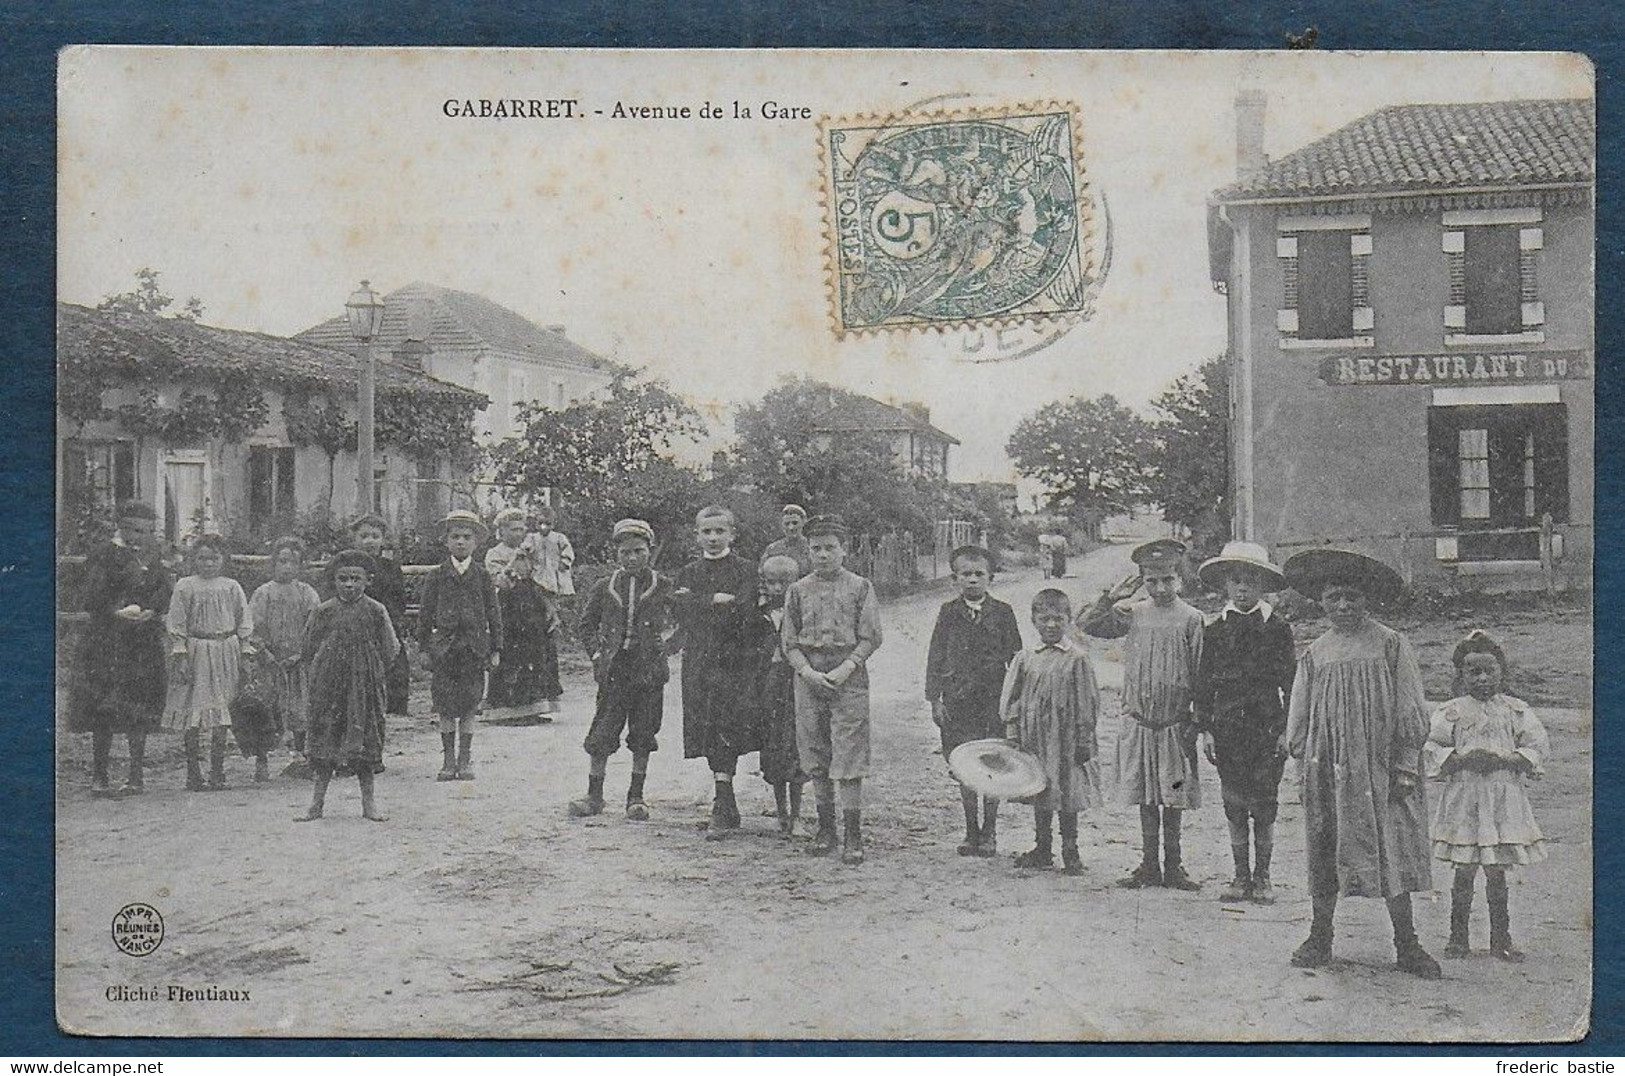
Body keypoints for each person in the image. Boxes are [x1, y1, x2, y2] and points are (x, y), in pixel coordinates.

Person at [1282, 548, 1440, 979]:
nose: (1344, 606)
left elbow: (1410, 708)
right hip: (1329, 768)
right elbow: (1300, 715)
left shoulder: (1390, 644)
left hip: (1380, 768)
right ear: (1321, 601)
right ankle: (1320, 935)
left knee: (1390, 847)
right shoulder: (1315, 652)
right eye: (1334, 597)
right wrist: (1303, 763)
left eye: (1352, 596)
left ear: (1367, 597)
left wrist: (1406, 764)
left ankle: (1407, 943)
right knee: (1326, 846)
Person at [1078, 538, 1205, 891]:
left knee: (1172, 793)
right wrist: (1111, 596)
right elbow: (1087, 624)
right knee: (1147, 793)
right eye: (1152, 580)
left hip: (1174, 725)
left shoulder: (1192, 619)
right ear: (1142, 581)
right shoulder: (1132, 614)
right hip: (1141, 722)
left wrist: (1196, 720)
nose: (1161, 588)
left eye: (1168, 579)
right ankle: (1149, 864)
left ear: (1180, 579)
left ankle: (1174, 865)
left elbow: (1200, 672)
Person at [1425, 630, 1549, 963]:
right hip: (1465, 797)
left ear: (1501, 673)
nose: (1482, 678)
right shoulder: (1451, 711)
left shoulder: (1515, 710)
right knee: (1463, 870)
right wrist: (1459, 759)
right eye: (1473, 672)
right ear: (1461, 675)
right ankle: (1458, 938)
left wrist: (1509, 759)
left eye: (1489, 671)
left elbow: (1537, 746)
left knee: (1497, 872)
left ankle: (1501, 939)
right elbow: (1432, 746)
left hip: (1501, 797)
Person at [1192, 541, 1297, 904]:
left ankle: (1263, 876)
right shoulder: (1215, 630)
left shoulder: (1278, 630)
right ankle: (1239, 876)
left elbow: (1291, 683)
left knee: (1264, 804)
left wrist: (1286, 729)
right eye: (1236, 581)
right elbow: (1203, 683)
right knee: (1234, 802)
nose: (1242, 588)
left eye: (1251, 581)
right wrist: (1205, 728)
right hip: (1228, 731)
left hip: (1266, 729)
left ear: (1263, 586)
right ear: (1225, 585)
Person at [782, 514, 883, 864]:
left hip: (848, 676)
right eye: (816, 549)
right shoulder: (797, 590)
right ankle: (826, 829)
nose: (823, 555)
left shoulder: (860, 587)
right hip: (809, 677)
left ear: (844, 550)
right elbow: (789, 642)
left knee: (850, 751)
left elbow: (871, 636)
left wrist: (847, 667)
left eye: (830, 548)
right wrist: (806, 671)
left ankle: (853, 835)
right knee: (815, 752)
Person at [570, 519, 677, 820]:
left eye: (639, 551)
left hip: (648, 670)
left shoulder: (664, 585)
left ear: (650, 551)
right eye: (625, 552)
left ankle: (636, 797)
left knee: (643, 731)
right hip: (615, 669)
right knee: (603, 730)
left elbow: (685, 620)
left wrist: (666, 648)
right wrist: (596, 654)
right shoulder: (605, 587)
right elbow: (586, 624)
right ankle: (594, 796)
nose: (632, 558)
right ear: (616, 552)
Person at [925, 545, 1023, 857]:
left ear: (990, 577)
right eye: (965, 574)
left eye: (979, 574)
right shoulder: (948, 613)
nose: (972, 580)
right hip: (958, 702)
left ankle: (990, 831)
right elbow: (935, 656)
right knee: (964, 764)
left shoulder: (1004, 612)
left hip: (993, 701)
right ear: (955, 578)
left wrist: (1015, 702)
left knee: (992, 761)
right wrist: (934, 699)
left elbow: (1017, 658)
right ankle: (970, 831)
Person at [70, 500, 172, 796]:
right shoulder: (103, 554)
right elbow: (90, 594)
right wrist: (116, 612)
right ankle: (100, 777)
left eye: (146, 531)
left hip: (142, 642)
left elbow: (164, 589)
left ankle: (136, 776)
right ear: (122, 526)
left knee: (138, 707)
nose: (140, 536)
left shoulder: (153, 555)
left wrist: (152, 610)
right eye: (134, 530)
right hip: (107, 641)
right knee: (104, 706)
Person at [1000, 588, 1102, 875]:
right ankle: (1042, 847)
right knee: (1039, 787)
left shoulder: (1077, 658)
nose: (1052, 625)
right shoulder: (1026, 657)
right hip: (1035, 736)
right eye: (1045, 619)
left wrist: (1084, 737)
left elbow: (1087, 701)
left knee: (1067, 791)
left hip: (1066, 738)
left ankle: (1071, 850)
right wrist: (1012, 729)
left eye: (1058, 618)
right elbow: (1014, 697)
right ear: (1034, 620)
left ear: (1069, 620)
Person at [674, 505, 760, 840]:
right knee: (707, 724)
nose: (712, 538)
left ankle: (724, 802)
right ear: (697, 535)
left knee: (731, 724)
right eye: (706, 532)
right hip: (700, 658)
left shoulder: (745, 570)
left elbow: (747, 611)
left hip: (736, 660)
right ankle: (724, 799)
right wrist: (715, 600)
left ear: (731, 534)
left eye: (719, 531)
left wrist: (702, 603)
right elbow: (681, 610)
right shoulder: (688, 571)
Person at [296, 549, 398, 823]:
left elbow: (391, 649)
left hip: (363, 686)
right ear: (334, 580)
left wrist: (371, 672)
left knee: (364, 741)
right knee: (326, 740)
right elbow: (307, 647)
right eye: (343, 579)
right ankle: (316, 805)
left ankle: (369, 805)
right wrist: (322, 672)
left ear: (368, 581)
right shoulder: (323, 611)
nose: (349, 584)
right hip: (329, 685)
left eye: (356, 578)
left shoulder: (376, 611)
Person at [163, 534, 254, 791]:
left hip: (227, 650)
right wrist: (180, 654)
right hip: (196, 651)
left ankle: (217, 770)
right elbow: (177, 622)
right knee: (194, 711)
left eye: (214, 558)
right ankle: (193, 772)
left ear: (222, 560)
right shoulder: (185, 586)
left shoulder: (231, 586)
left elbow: (243, 620)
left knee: (222, 711)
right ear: (194, 560)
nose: (208, 563)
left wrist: (245, 653)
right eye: (202, 558)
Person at [417, 509, 503, 782]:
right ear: (446, 541)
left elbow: (494, 613)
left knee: (468, 705)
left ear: (477, 542)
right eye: (455, 537)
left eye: (467, 537)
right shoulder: (436, 576)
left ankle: (465, 759)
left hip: (474, 650)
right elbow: (425, 614)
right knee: (445, 706)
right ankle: (448, 760)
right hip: (444, 650)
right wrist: (423, 648)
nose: (461, 542)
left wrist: (496, 648)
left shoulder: (482, 576)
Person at [740, 555, 805, 837]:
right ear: (763, 583)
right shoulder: (757, 613)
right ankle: (781, 813)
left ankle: (798, 814)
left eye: (785, 583)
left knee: (798, 747)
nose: (778, 588)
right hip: (768, 685)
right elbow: (747, 647)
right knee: (775, 747)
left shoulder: (802, 611)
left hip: (796, 685)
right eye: (772, 582)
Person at [248, 536, 321, 779]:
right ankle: (261, 759)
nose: (286, 567)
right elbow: (253, 627)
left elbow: (314, 627)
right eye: (282, 562)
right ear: (273, 564)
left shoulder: (307, 593)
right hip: (269, 663)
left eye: (293, 562)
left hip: (297, 662)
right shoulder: (263, 593)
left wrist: (301, 654)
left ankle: (299, 757)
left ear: (300, 566)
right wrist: (264, 652)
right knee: (266, 709)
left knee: (299, 711)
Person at [345, 515, 410, 718]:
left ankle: (393, 709)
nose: (369, 541)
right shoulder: (346, 565)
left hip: (385, 626)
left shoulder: (390, 567)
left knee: (395, 664)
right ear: (354, 539)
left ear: (382, 539)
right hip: (354, 626)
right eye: (364, 536)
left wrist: (394, 622)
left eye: (375, 536)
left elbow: (399, 599)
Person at [488, 549, 561, 719]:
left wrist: (550, 610)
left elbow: (540, 581)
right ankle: (507, 710)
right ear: (502, 530)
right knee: (511, 657)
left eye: (521, 529)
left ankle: (534, 707)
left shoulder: (531, 548)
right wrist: (512, 564)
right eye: (513, 529)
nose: (518, 533)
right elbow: (498, 582)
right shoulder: (495, 554)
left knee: (537, 655)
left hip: (531, 609)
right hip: (509, 610)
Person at [760, 503, 813, 579]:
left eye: (795, 523)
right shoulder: (772, 549)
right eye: (787, 524)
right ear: (782, 525)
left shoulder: (811, 548)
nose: (791, 527)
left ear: (803, 522)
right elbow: (762, 575)